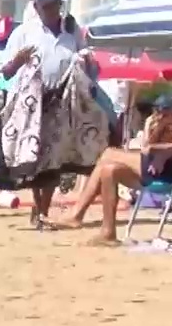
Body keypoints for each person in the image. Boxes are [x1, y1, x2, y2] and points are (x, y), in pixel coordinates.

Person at [0, 0, 104, 231]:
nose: (50, 11)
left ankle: (42, 210)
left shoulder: (72, 32)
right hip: (32, 102)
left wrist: (87, 61)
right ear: (37, 7)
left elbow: (90, 66)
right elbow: (6, 73)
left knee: (55, 158)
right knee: (35, 156)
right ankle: (38, 208)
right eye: (46, 6)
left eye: (54, 6)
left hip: (63, 100)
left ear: (60, 6)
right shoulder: (24, 32)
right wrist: (18, 61)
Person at [66, 95, 172, 244]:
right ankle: (108, 232)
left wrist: (163, 153)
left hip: (164, 172)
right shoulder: (162, 124)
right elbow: (146, 147)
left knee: (109, 154)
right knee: (109, 170)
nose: (159, 115)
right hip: (153, 169)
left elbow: (148, 149)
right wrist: (154, 127)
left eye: (164, 112)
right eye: (157, 111)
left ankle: (76, 214)